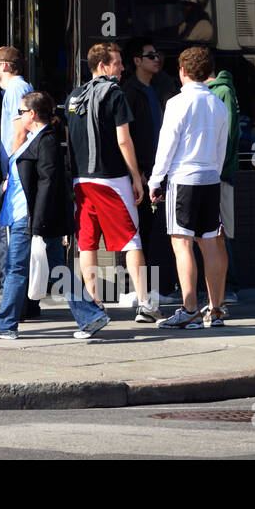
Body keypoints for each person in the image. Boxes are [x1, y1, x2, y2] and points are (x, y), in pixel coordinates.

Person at [0, 91, 110, 340]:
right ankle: (90, 316)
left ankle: (4, 324)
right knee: (57, 268)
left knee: (16, 268)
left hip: (28, 218)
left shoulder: (47, 140)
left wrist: (37, 223)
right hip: (27, 215)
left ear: (31, 114)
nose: (18, 118)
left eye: (20, 113)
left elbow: (48, 183)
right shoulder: (36, 138)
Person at [65, 42, 158, 323]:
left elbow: (70, 142)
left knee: (88, 244)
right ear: (102, 66)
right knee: (131, 240)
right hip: (112, 179)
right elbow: (123, 139)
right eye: (116, 63)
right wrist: (135, 176)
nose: (121, 69)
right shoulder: (114, 93)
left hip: (82, 181)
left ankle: (94, 305)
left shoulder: (74, 96)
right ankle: (145, 303)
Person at [150, 46, 230, 330]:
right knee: (209, 243)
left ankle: (190, 309)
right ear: (208, 72)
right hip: (210, 177)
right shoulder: (218, 105)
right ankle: (216, 309)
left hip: (184, 178)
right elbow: (222, 149)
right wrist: (214, 173)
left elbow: (167, 146)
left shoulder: (177, 103)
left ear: (182, 72)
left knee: (181, 243)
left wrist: (155, 179)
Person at [121, 36, 177, 303]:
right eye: (151, 55)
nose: (157, 59)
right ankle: (139, 289)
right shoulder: (130, 92)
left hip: (159, 169)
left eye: (158, 55)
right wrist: (138, 170)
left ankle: (159, 288)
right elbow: (126, 136)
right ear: (136, 61)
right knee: (140, 230)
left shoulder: (159, 87)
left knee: (159, 230)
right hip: (142, 171)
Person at [0, 45, 35, 310]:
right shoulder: (15, 90)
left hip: (15, 175)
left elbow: (20, 131)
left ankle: (12, 304)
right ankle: (22, 303)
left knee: (8, 239)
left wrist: (10, 170)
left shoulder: (16, 89)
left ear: (4, 66)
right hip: (16, 173)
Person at [206, 63, 242, 306]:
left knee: (219, 235)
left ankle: (226, 288)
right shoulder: (213, 93)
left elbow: (228, 135)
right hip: (208, 174)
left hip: (218, 175)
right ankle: (215, 292)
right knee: (210, 235)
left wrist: (218, 169)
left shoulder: (223, 92)